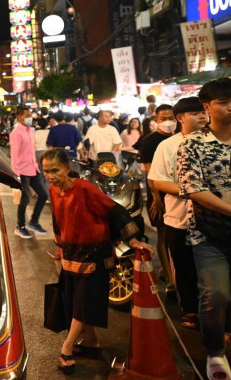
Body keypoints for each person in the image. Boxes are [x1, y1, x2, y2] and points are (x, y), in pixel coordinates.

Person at [41, 148, 153, 374]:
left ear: (66, 168)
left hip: (94, 254)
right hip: (71, 254)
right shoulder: (53, 189)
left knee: (83, 303)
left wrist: (132, 240)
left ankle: (67, 348)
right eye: (46, 171)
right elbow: (57, 220)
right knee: (76, 301)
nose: (50, 175)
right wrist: (60, 247)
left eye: (55, 170)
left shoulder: (84, 188)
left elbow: (115, 210)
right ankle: (91, 341)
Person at [177, 78, 231, 379]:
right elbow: (193, 189)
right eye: (223, 101)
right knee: (215, 294)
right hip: (208, 235)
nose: (230, 106)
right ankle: (214, 353)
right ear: (207, 107)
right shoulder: (193, 144)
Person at [148, 97, 206, 330]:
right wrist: (194, 192)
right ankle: (191, 310)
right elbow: (157, 180)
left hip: (212, 218)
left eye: (203, 112)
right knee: (183, 267)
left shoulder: (215, 141)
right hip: (179, 218)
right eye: (195, 113)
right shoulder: (167, 146)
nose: (202, 116)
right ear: (180, 118)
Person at [138, 104, 177, 293]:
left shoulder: (181, 138)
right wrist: (156, 198)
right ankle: (170, 278)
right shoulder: (149, 142)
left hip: (179, 194)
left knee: (176, 237)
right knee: (163, 235)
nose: (168, 122)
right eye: (164, 118)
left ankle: (170, 271)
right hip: (159, 195)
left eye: (172, 117)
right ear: (156, 119)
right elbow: (150, 173)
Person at [9, 106, 48, 239]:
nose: (29, 117)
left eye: (30, 114)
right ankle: (20, 227)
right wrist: (16, 175)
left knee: (43, 195)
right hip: (22, 170)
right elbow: (14, 154)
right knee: (24, 200)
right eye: (26, 115)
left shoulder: (30, 130)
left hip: (33, 168)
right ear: (19, 117)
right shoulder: (16, 132)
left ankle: (33, 222)